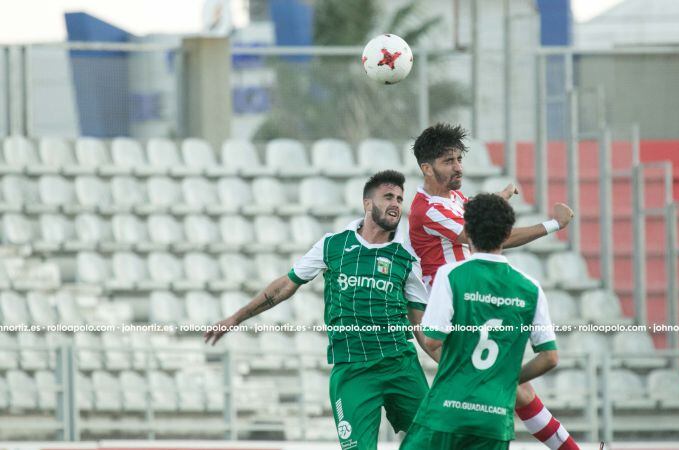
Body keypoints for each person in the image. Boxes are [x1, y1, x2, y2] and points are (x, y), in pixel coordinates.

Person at [205, 170, 437, 450]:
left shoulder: (406, 257)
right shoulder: (333, 245)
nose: (396, 204)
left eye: (400, 199)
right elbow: (284, 287)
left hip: (400, 364)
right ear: (367, 203)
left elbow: (420, 325)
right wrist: (235, 318)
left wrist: (450, 363)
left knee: (433, 440)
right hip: (353, 370)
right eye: (388, 196)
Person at [407, 123, 579, 449]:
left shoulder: (454, 197)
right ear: (426, 168)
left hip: (469, 307)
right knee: (497, 392)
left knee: (516, 392)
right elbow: (484, 235)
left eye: (459, 159)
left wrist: (498, 199)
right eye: (448, 161)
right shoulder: (428, 209)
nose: (458, 167)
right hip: (446, 316)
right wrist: (553, 224)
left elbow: (477, 217)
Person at [401, 193, 559, 449]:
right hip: (494, 418)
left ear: (466, 230)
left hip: (447, 411)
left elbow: (431, 340)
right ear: (507, 233)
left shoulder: (451, 274)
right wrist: (504, 377)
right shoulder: (530, 288)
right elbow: (550, 357)